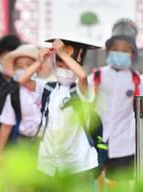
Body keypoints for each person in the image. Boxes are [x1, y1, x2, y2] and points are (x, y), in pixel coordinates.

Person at [17, 39, 100, 191]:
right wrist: (39, 61)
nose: (63, 68)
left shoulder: (82, 92)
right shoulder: (48, 88)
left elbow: (82, 76)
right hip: (48, 163)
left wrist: (62, 54)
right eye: (60, 64)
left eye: (68, 65)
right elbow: (22, 80)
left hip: (77, 165)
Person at [88, 18, 143, 190]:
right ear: (108, 51)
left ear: (132, 54)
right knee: (94, 181)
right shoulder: (97, 76)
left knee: (118, 183)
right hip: (97, 139)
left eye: (125, 50)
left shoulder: (135, 80)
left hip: (123, 142)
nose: (119, 53)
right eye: (115, 49)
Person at [0, 44, 45, 153]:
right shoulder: (14, 94)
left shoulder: (45, 87)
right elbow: (6, 125)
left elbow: (23, 79)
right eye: (19, 66)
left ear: (37, 67)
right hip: (24, 144)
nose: (24, 69)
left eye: (29, 65)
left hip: (47, 142)